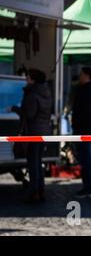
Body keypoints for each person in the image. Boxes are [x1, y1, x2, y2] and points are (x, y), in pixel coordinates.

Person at [12, 69, 52, 203]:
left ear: (33, 80)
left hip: (33, 133)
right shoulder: (45, 93)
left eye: (28, 78)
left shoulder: (32, 95)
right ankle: (40, 191)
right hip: (44, 132)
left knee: (33, 163)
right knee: (38, 162)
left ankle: (34, 192)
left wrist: (14, 109)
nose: (26, 80)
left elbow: (29, 114)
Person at [72, 67, 91, 198]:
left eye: (81, 74)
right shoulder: (89, 89)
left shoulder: (88, 90)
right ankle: (89, 187)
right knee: (87, 159)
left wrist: (77, 126)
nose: (79, 76)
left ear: (87, 75)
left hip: (84, 130)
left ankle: (88, 188)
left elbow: (84, 111)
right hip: (85, 130)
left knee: (86, 159)